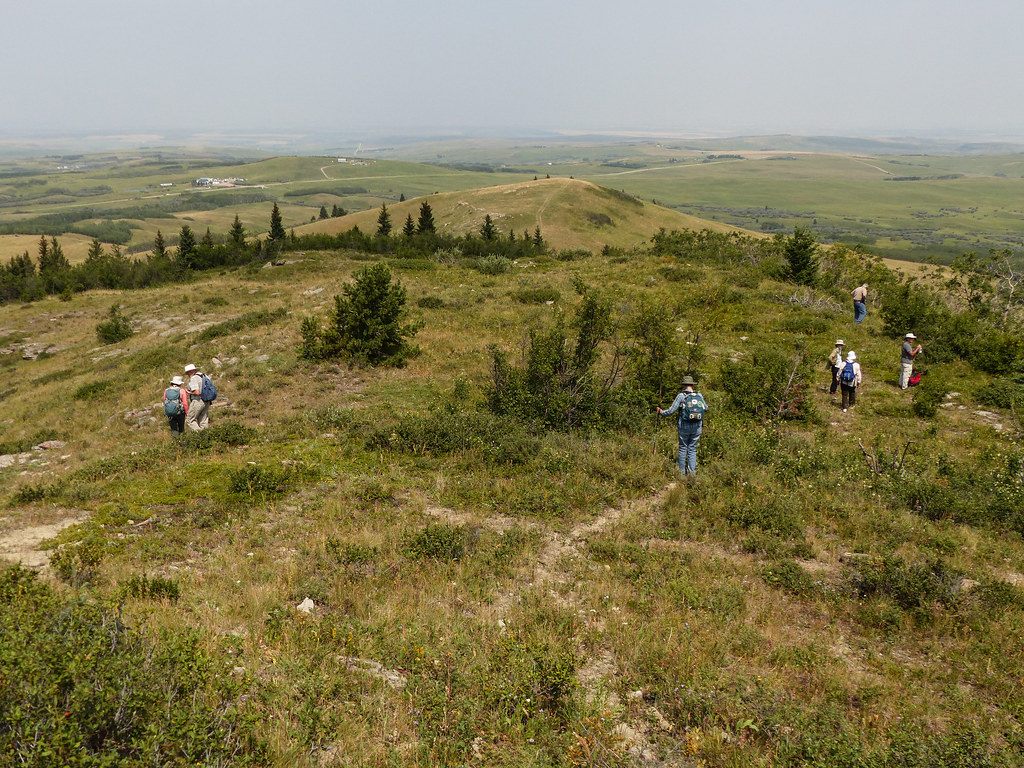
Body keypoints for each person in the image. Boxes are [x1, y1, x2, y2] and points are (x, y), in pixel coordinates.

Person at [657, 375, 708, 478]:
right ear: (692, 385)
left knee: (683, 448)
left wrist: (661, 412)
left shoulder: (681, 396)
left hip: (684, 426)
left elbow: (671, 411)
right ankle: (692, 474)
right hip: (697, 426)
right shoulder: (699, 395)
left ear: (684, 385)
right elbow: (705, 408)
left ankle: (681, 473)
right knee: (692, 449)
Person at [184, 363, 210, 431]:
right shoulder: (204, 376)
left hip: (198, 401)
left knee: (189, 420)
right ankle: (207, 437)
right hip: (207, 400)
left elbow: (197, 392)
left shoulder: (194, 378)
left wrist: (189, 392)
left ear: (190, 371)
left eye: (187, 373)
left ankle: (200, 436)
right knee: (203, 420)